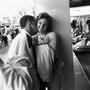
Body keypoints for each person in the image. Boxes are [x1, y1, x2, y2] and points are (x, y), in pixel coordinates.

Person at [0, 15, 39, 90]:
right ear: (29, 23)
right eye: (35, 23)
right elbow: (26, 65)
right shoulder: (24, 38)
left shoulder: (23, 36)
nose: (37, 26)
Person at [32, 12, 62, 90]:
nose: (41, 26)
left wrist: (35, 40)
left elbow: (48, 41)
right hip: (37, 75)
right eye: (40, 23)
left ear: (48, 27)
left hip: (52, 71)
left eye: (45, 24)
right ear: (36, 23)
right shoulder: (34, 37)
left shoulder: (52, 35)